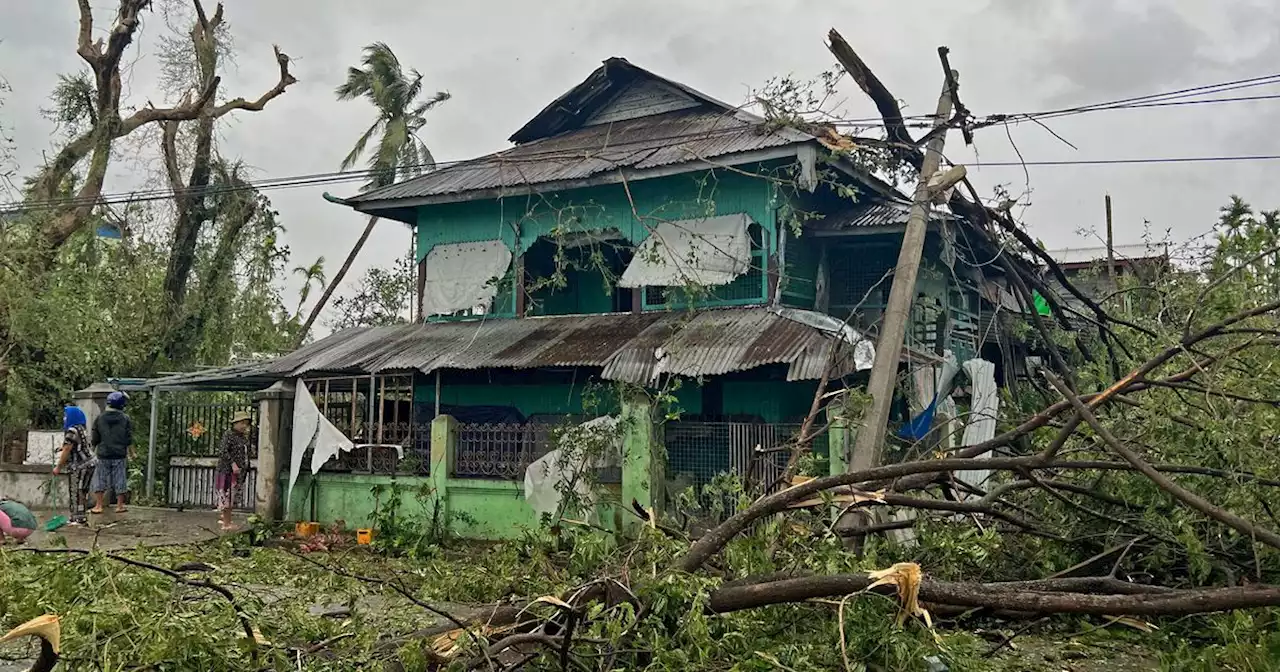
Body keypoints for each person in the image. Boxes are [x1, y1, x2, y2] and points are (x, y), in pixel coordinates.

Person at [91, 391, 134, 514]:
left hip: (103, 453)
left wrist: (93, 449)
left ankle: (98, 505)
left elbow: (95, 437)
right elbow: (128, 437)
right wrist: (131, 453)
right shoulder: (125, 418)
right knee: (120, 478)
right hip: (119, 454)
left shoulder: (100, 418)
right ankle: (120, 506)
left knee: (100, 478)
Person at [52, 405, 96, 525]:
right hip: (90, 463)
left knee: (77, 491)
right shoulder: (81, 428)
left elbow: (67, 449)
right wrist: (62, 448)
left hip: (80, 465)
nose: (64, 418)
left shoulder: (72, 431)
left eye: (66, 416)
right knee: (83, 491)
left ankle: (78, 518)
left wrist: (58, 467)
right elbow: (76, 445)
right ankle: (79, 516)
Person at [214, 411, 252, 531]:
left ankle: (227, 520)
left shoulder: (243, 437)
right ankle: (226, 524)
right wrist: (233, 464)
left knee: (232, 497)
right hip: (227, 471)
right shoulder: (229, 435)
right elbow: (223, 451)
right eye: (242, 423)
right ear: (235, 423)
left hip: (238, 473)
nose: (244, 426)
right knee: (227, 497)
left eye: (245, 423)